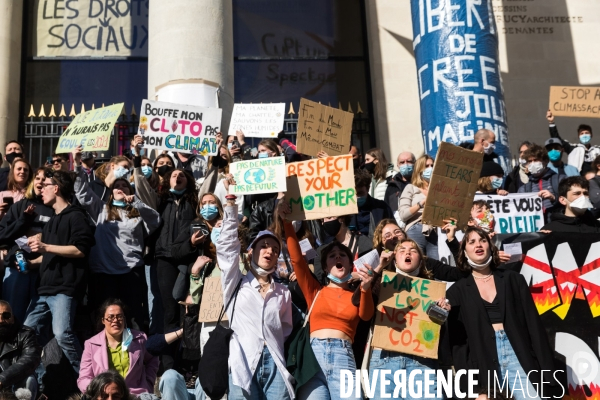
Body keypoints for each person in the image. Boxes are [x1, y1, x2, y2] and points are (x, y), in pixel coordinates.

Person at [446, 226, 559, 400]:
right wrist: (470, 386)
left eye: (483, 240)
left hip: (519, 355)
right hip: (484, 363)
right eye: (472, 241)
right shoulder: (456, 291)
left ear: (491, 247)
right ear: (464, 250)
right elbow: (459, 345)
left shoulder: (513, 279)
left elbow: (533, 325)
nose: (479, 244)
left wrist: (547, 369)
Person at [276, 202, 374, 400]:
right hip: (312, 359)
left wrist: (365, 287)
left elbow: (366, 315)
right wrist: (287, 223)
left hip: (343, 358)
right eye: (332, 256)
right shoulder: (315, 291)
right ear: (326, 267)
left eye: (342, 256)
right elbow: (296, 260)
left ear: (350, 264)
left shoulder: (358, 294)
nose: (337, 257)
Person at [73, 146, 161, 330]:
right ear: (111, 191)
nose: (120, 188)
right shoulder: (101, 209)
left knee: (134, 317)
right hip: (104, 274)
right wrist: (77, 164)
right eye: (117, 186)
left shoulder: (137, 211)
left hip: (131, 273)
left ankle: (136, 354)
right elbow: (82, 193)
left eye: (124, 186)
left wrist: (136, 203)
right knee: (104, 318)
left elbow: (155, 220)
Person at [218, 194, 294, 400]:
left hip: (276, 367)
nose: (270, 251)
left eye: (275, 249)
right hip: (243, 363)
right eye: (264, 246)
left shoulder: (283, 292)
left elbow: (285, 329)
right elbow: (226, 250)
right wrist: (231, 206)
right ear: (251, 252)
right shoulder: (236, 282)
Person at [366, 239, 461, 399]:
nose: (408, 252)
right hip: (385, 361)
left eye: (413, 250)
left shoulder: (432, 290)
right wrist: (379, 267)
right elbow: (361, 300)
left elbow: (435, 333)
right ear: (394, 258)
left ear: (421, 260)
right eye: (401, 250)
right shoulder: (383, 284)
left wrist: (441, 313)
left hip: (422, 363)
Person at [24, 169, 96, 374]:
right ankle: (35, 382)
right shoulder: (52, 220)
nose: (41, 191)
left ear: (55, 188)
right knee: (27, 335)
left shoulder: (76, 216)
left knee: (63, 334)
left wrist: (45, 247)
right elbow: (49, 254)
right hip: (44, 290)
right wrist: (31, 263)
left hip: (64, 289)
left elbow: (80, 249)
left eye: (45, 186)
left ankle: (88, 380)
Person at [154, 168, 199, 370]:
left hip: (188, 259)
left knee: (187, 310)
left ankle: (187, 361)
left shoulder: (194, 202)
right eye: (174, 175)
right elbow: (144, 190)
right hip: (164, 259)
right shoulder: (160, 201)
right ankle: (168, 362)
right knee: (169, 311)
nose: (178, 177)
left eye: (181, 175)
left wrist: (214, 165)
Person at [0, 168, 54, 322]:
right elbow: (2, 235)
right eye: (37, 178)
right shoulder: (20, 206)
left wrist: (42, 236)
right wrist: (23, 223)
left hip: (43, 270)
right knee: (12, 316)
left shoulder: (56, 209)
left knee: (36, 321)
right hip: (18, 269)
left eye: (45, 179)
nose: (41, 181)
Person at [78, 299, 159, 396]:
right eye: (110, 317)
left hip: (135, 395)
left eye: (119, 316)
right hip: (107, 396)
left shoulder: (139, 338)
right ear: (103, 320)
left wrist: (149, 382)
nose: (115, 320)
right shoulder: (91, 344)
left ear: (124, 319)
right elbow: (83, 379)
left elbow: (153, 358)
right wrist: (98, 391)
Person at [399, 155, 439, 258]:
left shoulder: (440, 190)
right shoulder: (410, 188)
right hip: (416, 228)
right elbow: (403, 215)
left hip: (435, 230)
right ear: (419, 169)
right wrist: (422, 202)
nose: (430, 168)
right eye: (427, 166)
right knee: (417, 264)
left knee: (436, 266)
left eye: (432, 165)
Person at [0, 301, 41, 400]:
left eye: (6, 315)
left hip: (14, 382)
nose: (1, 320)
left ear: (13, 318)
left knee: (28, 380)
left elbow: (30, 359)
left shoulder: (26, 334)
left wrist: (2, 379)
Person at [518, 144, 564, 222]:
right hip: (537, 229)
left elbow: (571, 202)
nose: (532, 164)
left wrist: (554, 198)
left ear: (545, 161)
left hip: (557, 226)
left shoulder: (560, 179)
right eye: (529, 161)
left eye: (536, 160)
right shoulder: (523, 189)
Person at [547, 110, 600, 174]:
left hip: (595, 181)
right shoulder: (572, 148)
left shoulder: (597, 149)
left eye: (587, 133)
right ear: (578, 136)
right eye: (582, 133)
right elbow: (557, 139)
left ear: (591, 135)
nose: (584, 135)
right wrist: (551, 122)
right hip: (577, 179)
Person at [352, 169, 393, 237]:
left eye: (360, 193)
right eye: (353, 194)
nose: (357, 197)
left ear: (368, 189)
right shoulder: (343, 212)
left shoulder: (382, 208)